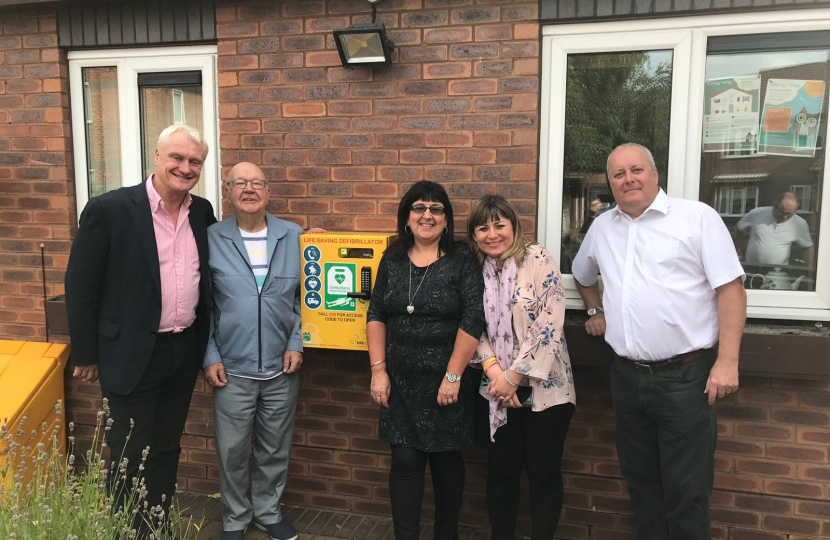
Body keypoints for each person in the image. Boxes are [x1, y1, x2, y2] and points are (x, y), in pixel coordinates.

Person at [572, 143, 747, 540]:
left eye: (636, 170)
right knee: (641, 486)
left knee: (687, 491)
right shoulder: (603, 227)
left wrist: (728, 361)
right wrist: (595, 312)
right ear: (610, 183)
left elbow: (732, 290)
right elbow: (582, 275)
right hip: (627, 378)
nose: (628, 179)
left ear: (654, 174)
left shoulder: (696, 218)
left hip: (685, 379)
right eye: (618, 174)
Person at [65, 125, 216, 532]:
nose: (185, 168)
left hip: (182, 352)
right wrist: (85, 353)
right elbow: (81, 286)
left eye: (194, 162)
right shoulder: (109, 209)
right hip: (129, 353)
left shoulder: (201, 212)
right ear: (157, 156)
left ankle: (157, 527)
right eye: (177, 158)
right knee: (130, 452)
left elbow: (228, 259)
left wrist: (299, 241)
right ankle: (127, 530)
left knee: (166, 448)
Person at [366, 180, 485, 540]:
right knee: (404, 460)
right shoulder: (393, 258)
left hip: (447, 380)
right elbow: (375, 313)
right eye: (419, 207)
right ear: (406, 218)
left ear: (447, 221)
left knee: (447, 461)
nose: (427, 215)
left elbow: (474, 317)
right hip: (399, 381)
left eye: (436, 209)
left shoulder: (462, 259)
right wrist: (378, 371)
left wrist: (453, 376)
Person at [202, 162, 303, 540]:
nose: (249, 189)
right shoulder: (210, 237)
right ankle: (234, 519)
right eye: (239, 183)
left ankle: (268, 511)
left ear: (268, 191)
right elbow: (204, 306)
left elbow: (303, 301)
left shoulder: (294, 236)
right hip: (231, 368)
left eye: (257, 183)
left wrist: (296, 342)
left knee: (275, 447)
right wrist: (210, 354)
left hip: (282, 367)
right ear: (227, 191)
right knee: (231, 451)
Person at [467, 195, 576, 540]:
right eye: (483, 227)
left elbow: (551, 320)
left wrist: (516, 375)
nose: (492, 234)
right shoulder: (473, 270)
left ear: (513, 225)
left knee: (544, 473)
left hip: (548, 390)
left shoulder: (537, 258)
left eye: (499, 224)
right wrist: (498, 374)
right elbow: (472, 325)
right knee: (501, 472)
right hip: (497, 388)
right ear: (474, 234)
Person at [736, 191, 814, 266]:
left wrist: (809, 271)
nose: (785, 217)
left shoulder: (799, 223)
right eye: (782, 212)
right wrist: (739, 248)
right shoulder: (757, 213)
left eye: (789, 214)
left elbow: (808, 247)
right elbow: (738, 229)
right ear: (775, 205)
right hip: (752, 269)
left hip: (778, 273)